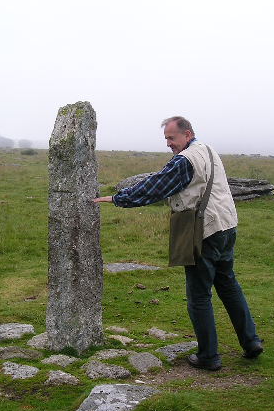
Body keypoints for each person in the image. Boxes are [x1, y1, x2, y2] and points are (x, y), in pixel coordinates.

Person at [93, 116, 263, 371]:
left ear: (187, 134)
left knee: (199, 295)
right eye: (166, 139)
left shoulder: (185, 160)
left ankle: (208, 356)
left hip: (205, 230)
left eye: (171, 138)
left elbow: (155, 187)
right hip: (227, 226)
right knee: (228, 285)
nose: (168, 144)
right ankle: (251, 342)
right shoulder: (207, 149)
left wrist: (118, 198)